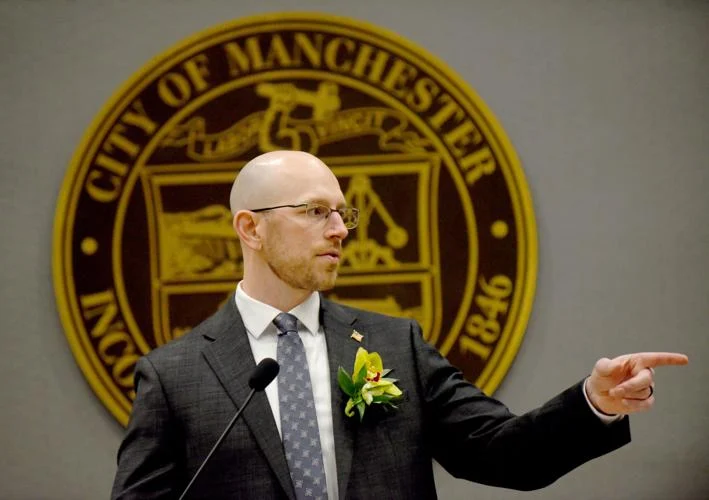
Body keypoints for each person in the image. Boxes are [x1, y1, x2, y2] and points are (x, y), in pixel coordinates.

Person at [111, 150, 688, 499]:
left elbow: (504, 454)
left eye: (343, 213)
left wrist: (595, 402)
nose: (340, 229)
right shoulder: (174, 377)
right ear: (250, 228)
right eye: (315, 211)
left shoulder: (394, 346)